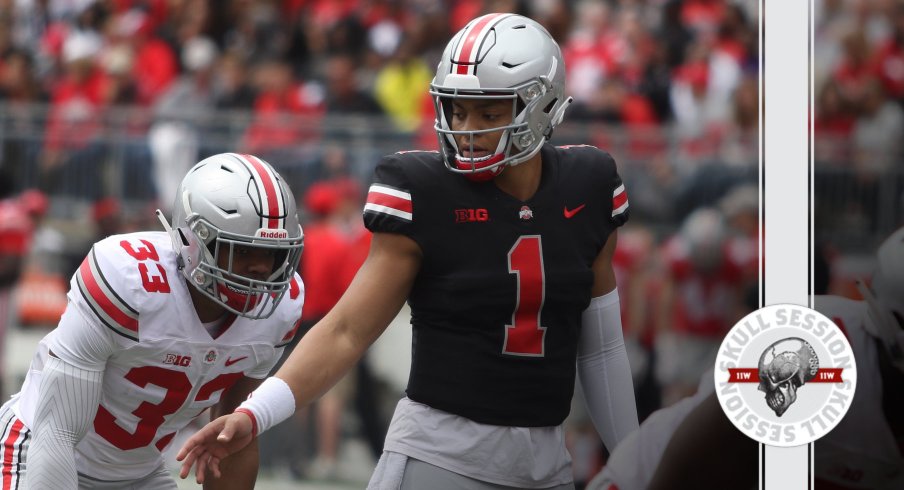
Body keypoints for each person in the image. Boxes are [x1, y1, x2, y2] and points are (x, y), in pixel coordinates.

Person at [178, 13, 639, 489]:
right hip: (441, 457)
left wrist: (635, 462)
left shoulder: (589, 184)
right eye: (458, 109)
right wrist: (254, 415)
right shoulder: (424, 190)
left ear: (542, 106)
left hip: (547, 463)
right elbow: (346, 330)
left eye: (489, 112)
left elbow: (602, 347)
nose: (467, 128)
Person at [0, 153, 305, 489]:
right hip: (39, 452)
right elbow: (57, 431)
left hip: (138, 475)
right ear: (194, 241)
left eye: (273, 254)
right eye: (242, 251)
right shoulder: (127, 280)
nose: (262, 269)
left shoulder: (281, 307)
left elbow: (232, 437)